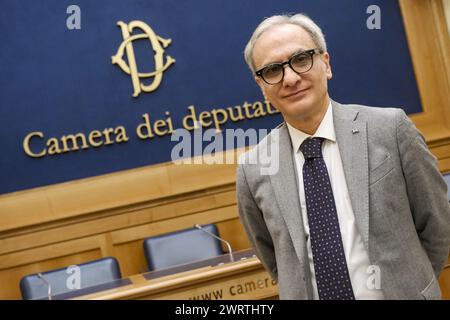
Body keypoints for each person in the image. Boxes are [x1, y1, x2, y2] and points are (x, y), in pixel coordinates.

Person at [236, 13, 450, 300]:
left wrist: (414, 287)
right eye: (273, 70)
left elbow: (437, 223)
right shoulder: (254, 169)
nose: (290, 78)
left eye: (301, 59)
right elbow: (275, 259)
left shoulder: (391, 130)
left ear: (326, 63)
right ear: (262, 86)